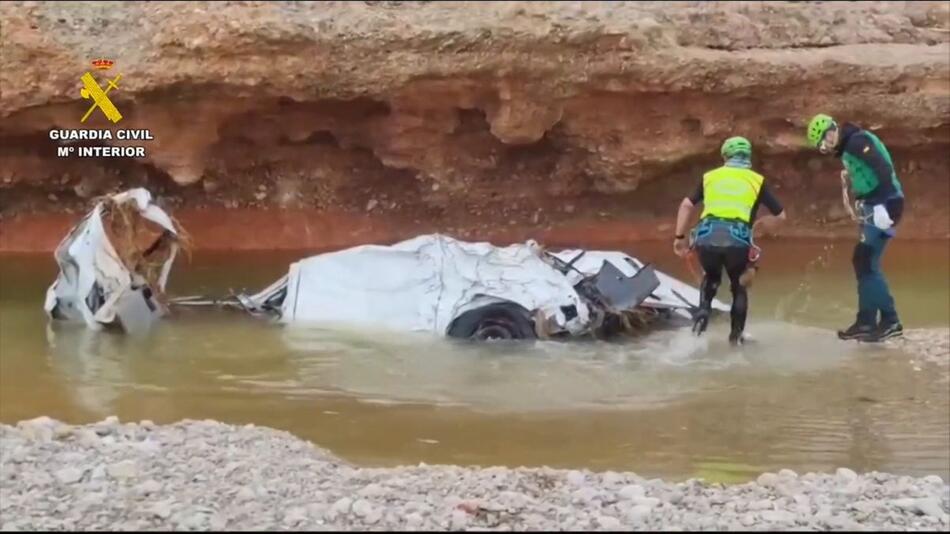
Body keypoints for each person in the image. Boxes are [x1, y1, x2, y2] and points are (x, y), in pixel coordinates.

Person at [673, 136, 786, 346]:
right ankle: (735, 338)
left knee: (712, 276)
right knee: (738, 286)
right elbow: (781, 216)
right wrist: (762, 226)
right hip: (738, 239)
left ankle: (704, 310)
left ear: (725, 156)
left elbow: (687, 205)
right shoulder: (756, 180)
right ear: (748, 157)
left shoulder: (710, 177)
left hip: (706, 236)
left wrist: (679, 238)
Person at [806, 113, 905, 342]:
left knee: (867, 262)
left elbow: (882, 168)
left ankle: (890, 321)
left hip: (885, 203)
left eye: (824, 142)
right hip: (872, 206)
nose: (825, 147)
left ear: (831, 131)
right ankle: (866, 321)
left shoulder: (857, 141)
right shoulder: (848, 147)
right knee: (862, 262)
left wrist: (885, 206)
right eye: (821, 147)